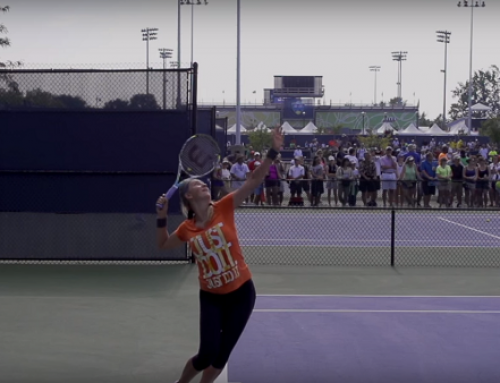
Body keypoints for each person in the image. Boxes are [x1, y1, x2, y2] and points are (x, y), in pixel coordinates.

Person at [155, 127, 284, 383]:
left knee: (221, 356)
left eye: (204, 183)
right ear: (189, 196)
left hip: (242, 293)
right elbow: (163, 245)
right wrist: (160, 218)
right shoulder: (186, 228)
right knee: (206, 355)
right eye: (198, 184)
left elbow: (254, 180)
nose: (204, 185)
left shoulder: (224, 206)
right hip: (212, 297)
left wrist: (273, 151)